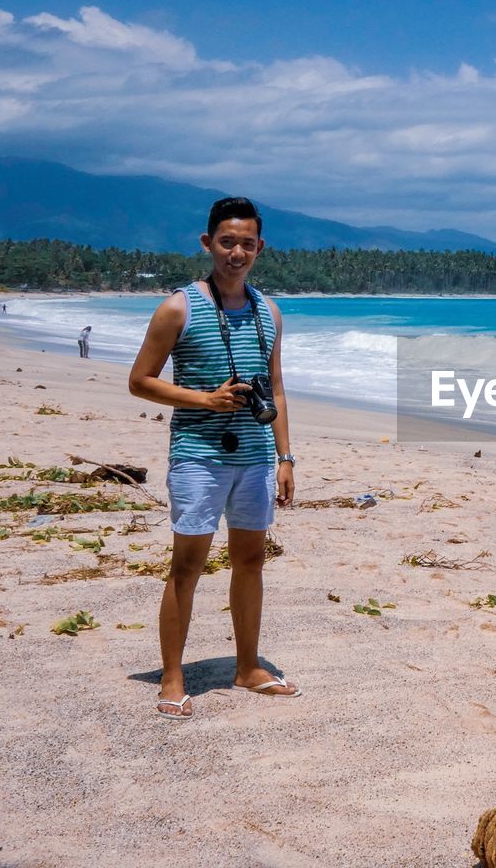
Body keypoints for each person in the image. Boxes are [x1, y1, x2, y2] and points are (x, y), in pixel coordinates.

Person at [128, 197, 299, 719]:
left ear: (260, 248)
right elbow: (140, 381)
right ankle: (173, 676)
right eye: (227, 242)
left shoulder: (268, 311)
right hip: (198, 455)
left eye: (247, 243)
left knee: (250, 561)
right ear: (208, 244)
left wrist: (285, 457)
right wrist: (204, 399)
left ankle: (247, 667)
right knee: (188, 566)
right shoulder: (179, 306)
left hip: (252, 457)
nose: (237, 252)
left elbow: (276, 388)